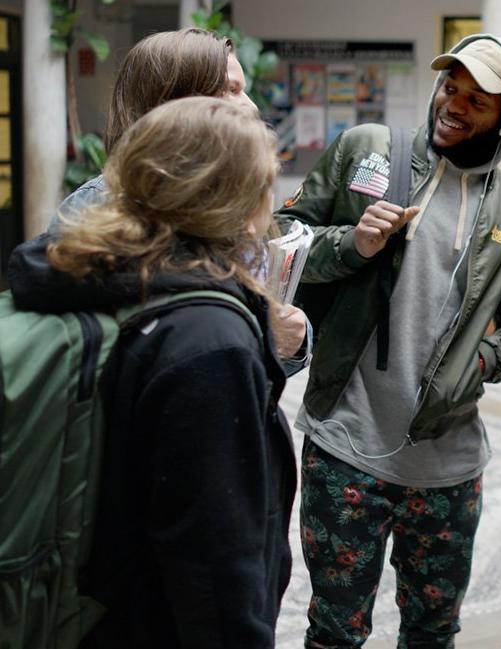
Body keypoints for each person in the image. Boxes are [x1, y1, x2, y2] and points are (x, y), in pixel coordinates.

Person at [276, 34, 501, 647]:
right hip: (345, 446)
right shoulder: (366, 149)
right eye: (451, 87)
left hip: (447, 470)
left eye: (479, 100)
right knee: (334, 632)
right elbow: (286, 237)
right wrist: (352, 243)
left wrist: (479, 363)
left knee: (432, 634)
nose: (454, 104)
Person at [8, 96, 296, 648]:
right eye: (265, 181)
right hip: (149, 624)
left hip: (89, 611)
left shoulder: (90, 269)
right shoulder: (209, 339)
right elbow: (214, 563)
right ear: (227, 196)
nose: (272, 198)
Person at [48, 27, 309, 370]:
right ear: (175, 103)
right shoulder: (99, 208)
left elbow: (256, 356)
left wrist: (291, 341)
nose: (252, 106)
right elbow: (80, 360)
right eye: (231, 90)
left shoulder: (232, 202)